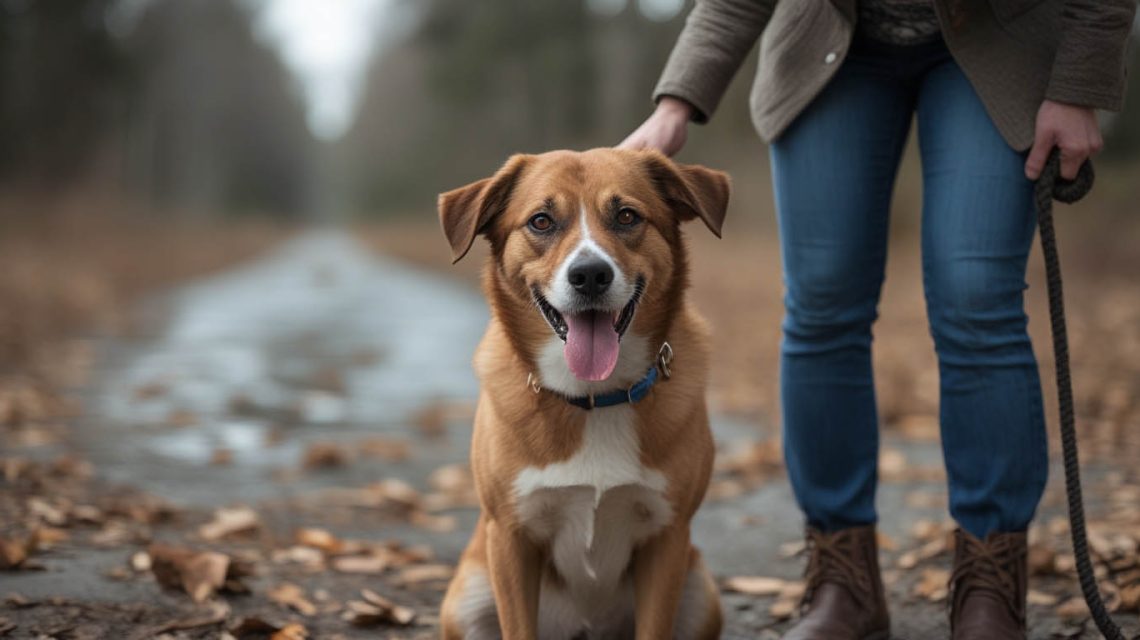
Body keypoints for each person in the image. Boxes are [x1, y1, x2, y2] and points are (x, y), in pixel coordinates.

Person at [620, 1, 1136, 638]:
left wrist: (1079, 85)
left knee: (977, 297)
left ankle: (992, 584)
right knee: (821, 304)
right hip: (828, 46)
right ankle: (844, 580)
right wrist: (676, 103)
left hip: (999, 39)